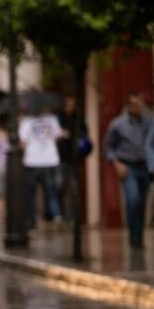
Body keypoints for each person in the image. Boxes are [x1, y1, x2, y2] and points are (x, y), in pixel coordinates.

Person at [103, 93, 154, 248]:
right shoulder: (117, 124)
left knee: (142, 203)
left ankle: (139, 237)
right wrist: (117, 164)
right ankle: (134, 236)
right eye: (135, 104)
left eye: (140, 104)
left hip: (145, 166)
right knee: (133, 199)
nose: (139, 107)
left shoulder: (149, 122)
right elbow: (108, 148)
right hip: (128, 166)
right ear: (128, 106)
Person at [19, 103, 64, 230]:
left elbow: (22, 142)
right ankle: (56, 217)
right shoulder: (52, 119)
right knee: (51, 191)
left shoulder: (27, 121)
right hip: (50, 160)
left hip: (32, 161)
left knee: (31, 194)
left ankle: (31, 223)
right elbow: (58, 136)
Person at [56, 95, 90, 224]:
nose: (70, 107)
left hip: (74, 159)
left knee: (74, 189)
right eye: (68, 104)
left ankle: (74, 219)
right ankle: (60, 217)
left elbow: (85, 135)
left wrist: (78, 139)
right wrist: (60, 134)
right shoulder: (58, 119)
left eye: (73, 105)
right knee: (59, 188)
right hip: (60, 158)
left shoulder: (79, 119)